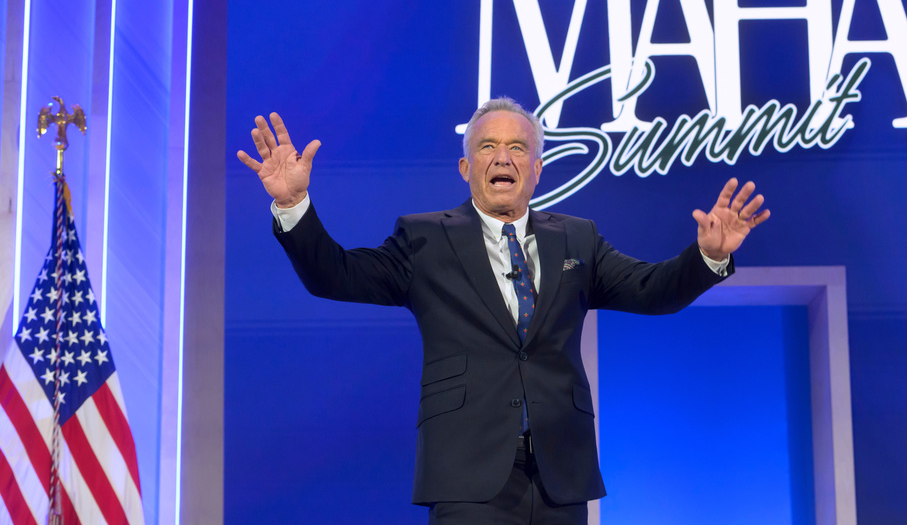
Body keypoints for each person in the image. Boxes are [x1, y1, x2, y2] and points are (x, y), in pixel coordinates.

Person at [237, 98, 770, 525]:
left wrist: (709, 256)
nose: (503, 158)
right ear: (466, 167)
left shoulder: (577, 238)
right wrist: (293, 206)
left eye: (518, 148)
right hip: (468, 476)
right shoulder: (424, 239)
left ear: (536, 170)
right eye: (488, 146)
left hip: (562, 474)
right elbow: (337, 275)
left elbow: (652, 290)